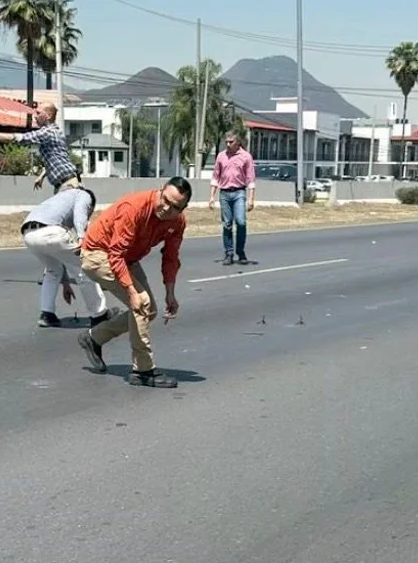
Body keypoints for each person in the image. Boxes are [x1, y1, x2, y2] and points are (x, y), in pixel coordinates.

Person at [76, 177, 192, 388]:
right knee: (141, 302)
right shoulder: (135, 207)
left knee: (150, 310)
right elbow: (115, 253)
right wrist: (131, 291)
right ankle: (143, 370)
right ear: (160, 191)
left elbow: (171, 257)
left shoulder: (178, 222)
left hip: (126, 258)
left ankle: (94, 338)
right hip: (98, 254)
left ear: (183, 208)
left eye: (175, 207)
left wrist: (170, 293)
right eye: (165, 200)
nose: (167, 209)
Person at [21, 186, 111, 328]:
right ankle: (99, 315)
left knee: (52, 271)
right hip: (51, 232)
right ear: (91, 205)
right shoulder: (83, 195)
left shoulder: (58, 199)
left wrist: (66, 283)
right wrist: (82, 237)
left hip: (29, 234)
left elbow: (59, 254)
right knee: (85, 270)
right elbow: (80, 214)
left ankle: (47, 314)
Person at [0, 103, 80, 193]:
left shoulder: (47, 132)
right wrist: (42, 176)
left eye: (38, 113)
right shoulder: (56, 132)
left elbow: (19, 138)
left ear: (48, 115)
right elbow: (56, 159)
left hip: (68, 185)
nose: (35, 116)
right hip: (67, 183)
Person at [208, 130, 256, 265]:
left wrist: (251, 199)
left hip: (239, 192)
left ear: (238, 142)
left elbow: (250, 179)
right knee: (227, 224)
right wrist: (211, 196)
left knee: (241, 222)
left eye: (231, 142)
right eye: (226, 142)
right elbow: (215, 177)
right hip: (224, 193)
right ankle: (229, 253)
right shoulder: (221, 156)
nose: (228, 145)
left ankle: (240, 252)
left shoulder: (246, 157)